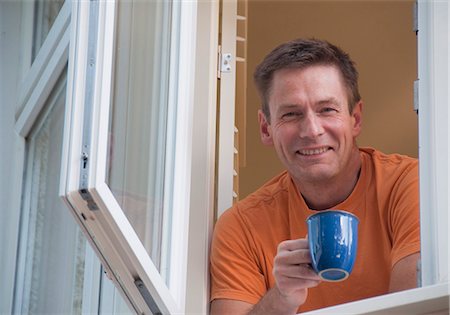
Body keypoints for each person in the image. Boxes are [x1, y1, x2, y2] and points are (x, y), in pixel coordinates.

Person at [209, 38, 420, 314]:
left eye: (327, 110)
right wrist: (281, 298)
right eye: (292, 114)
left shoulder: (412, 184)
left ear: (355, 119)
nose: (311, 130)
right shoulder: (240, 227)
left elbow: (418, 308)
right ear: (266, 128)